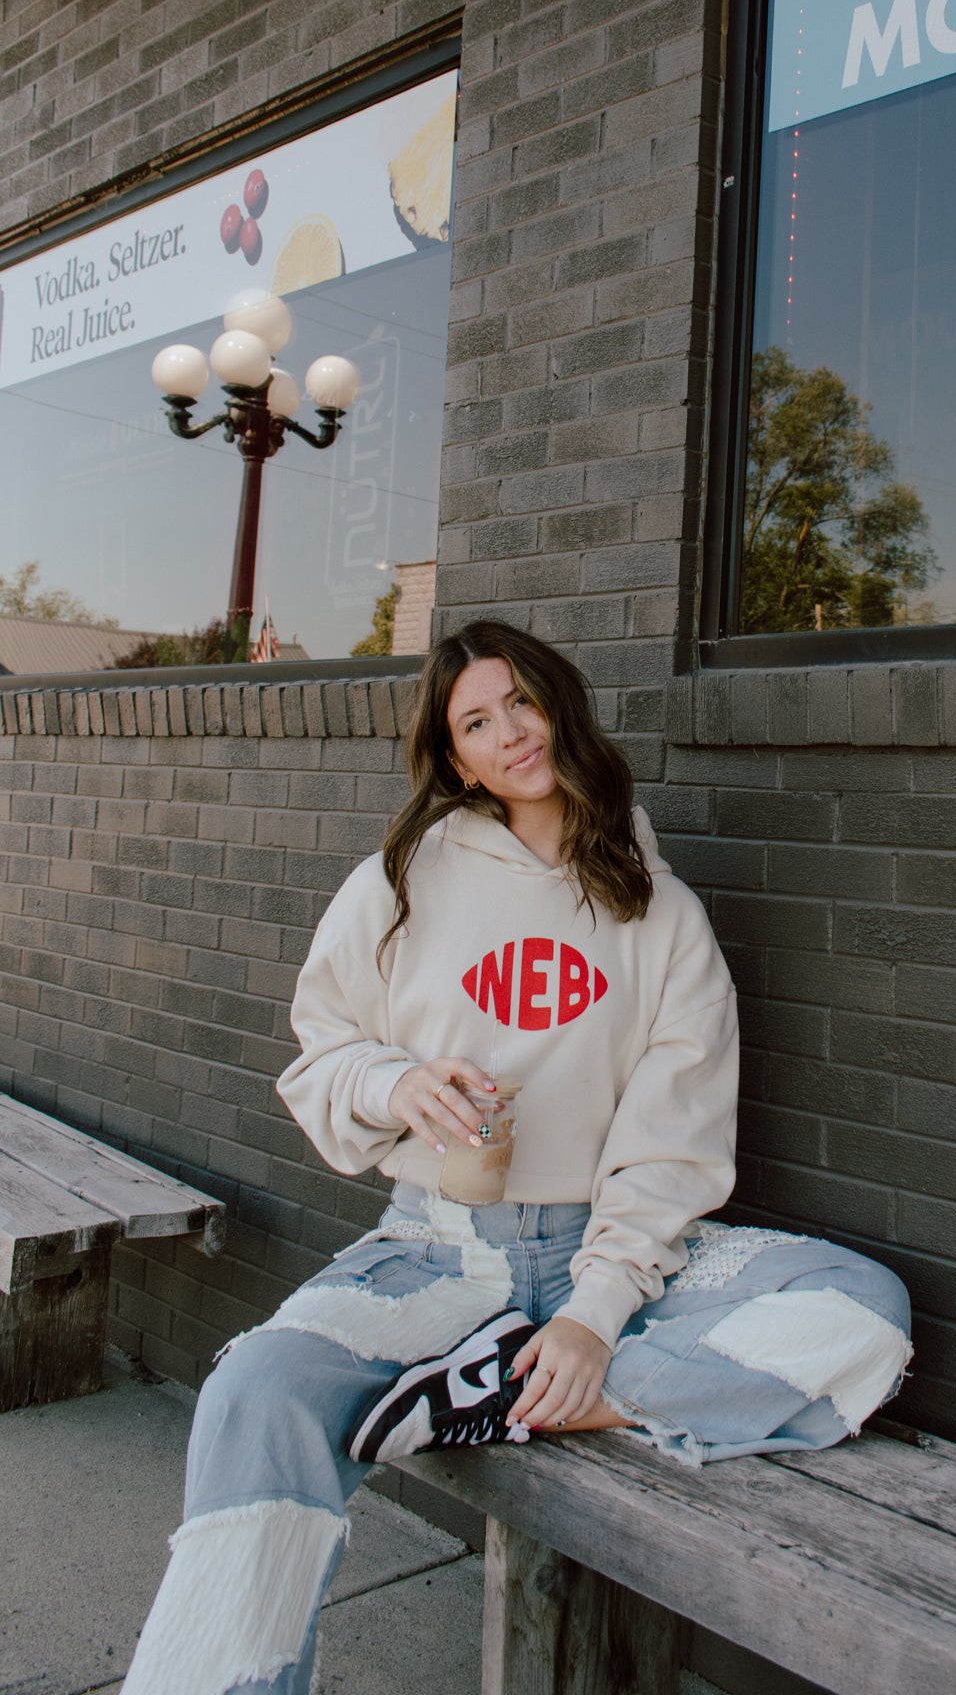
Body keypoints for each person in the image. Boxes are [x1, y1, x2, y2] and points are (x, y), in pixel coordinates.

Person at [124, 621, 912, 1695]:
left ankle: (537, 1389)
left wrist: (594, 1314)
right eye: (475, 721)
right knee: (253, 1390)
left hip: (615, 1255)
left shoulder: (662, 912)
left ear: (561, 707)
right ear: (456, 756)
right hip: (444, 1253)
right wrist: (394, 1081)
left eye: (521, 704)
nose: (509, 733)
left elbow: (673, 1141)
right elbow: (323, 1054)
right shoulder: (400, 881)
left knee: (863, 1305)